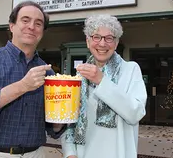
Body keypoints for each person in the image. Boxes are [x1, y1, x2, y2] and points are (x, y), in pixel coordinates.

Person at [0, 1, 65, 158]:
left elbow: (52, 129)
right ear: (12, 26)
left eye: (38, 23)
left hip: (36, 153)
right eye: (25, 20)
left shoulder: (48, 74)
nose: (32, 26)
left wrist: (61, 116)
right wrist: (22, 86)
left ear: (42, 31)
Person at [61, 14, 147, 158]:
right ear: (88, 42)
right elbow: (68, 121)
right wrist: (70, 152)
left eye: (109, 38)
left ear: (116, 43)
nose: (102, 44)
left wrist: (102, 81)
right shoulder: (79, 77)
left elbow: (135, 114)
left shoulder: (131, 69)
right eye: (96, 37)